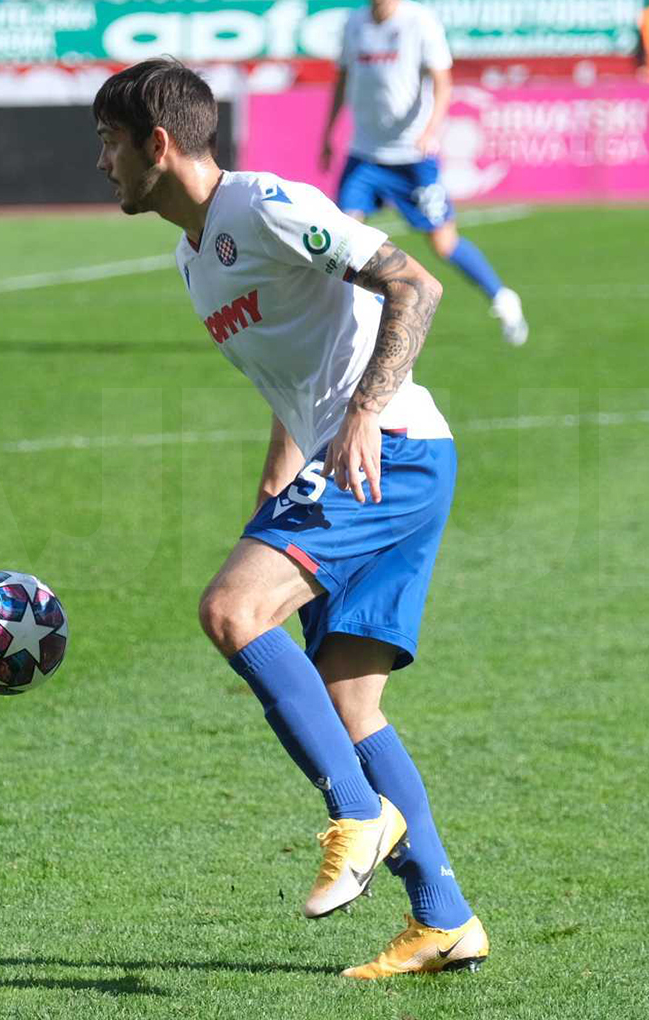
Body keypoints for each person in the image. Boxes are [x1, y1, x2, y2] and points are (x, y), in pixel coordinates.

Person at [93, 58, 488, 979]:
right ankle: (444, 917)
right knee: (352, 705)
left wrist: (361, 415)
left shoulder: (266, 203)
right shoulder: (193, 257)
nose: (101, 163)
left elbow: (414, 286)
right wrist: (279, 483)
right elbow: (293, 379)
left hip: (392, 451)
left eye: (109, 143)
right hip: (360, 461)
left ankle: (356, 813)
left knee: (232, 611)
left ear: (158, 144)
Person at [320, 0, 526, 347]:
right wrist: (328, 135)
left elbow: (442, 81)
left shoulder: (419, 22)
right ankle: (354, 328)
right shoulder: (354, 24)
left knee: (444, 242)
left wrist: (432, 131)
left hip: (411, 157)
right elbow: (342, 80)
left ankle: (502, 297)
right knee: (345, 239)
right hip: (364, 154)